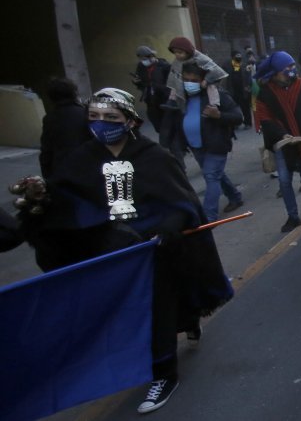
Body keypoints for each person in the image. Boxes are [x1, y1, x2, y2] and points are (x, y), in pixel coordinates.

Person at [15, 88, 233, 413]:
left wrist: (168, 227)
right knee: (130, 311)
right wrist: (40, 200)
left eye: (111, 118)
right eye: (94, 117)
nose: (101, 123)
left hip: (153, 251)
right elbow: (67, 202)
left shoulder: (154, 156)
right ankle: (172, 332)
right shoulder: (81, 158)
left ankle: (164, 374)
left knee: (159, 306)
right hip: (113, 252)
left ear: (130, 120)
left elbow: (181, 201)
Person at [254, 51, 301, 232]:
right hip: (283, 144)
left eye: (292, 67)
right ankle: (293, 216)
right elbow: (265, 119)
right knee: (284, 181)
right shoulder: (265, 93)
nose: (291, 71)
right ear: (274, 73)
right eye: (286, 69)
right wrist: (283, 135)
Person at [180, 60, 245, 222]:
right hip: (196, 146)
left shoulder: (216, 95)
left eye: (194, 81)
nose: (189, 84)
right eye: (186, 80)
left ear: (203, 80)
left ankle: (209, 217)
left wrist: (219, 116)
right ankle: (235, 197)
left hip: (216, 145)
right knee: (215, 175)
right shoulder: (183, 97)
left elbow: (238, 116)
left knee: (211, 177)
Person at [160, 37, 228, 168]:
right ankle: (172, 100)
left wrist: (206, 80)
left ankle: (214, 104)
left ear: (188, 51)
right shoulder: (177, 62)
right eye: (175, 52)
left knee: (211, 88)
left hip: (205, 85)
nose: (178, 55)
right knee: (176, 86)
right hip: (192, 137)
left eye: (180, 52)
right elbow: (174, 77)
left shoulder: (200, 58)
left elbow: (215, 71)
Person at [39, 77, 92, 178]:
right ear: (74, 93)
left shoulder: (50, 118)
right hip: (87, 168)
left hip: (62, 171)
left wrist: (47, 178)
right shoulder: (86, 113)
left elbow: (46, 151)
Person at [132, 45, 171, 132]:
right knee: (155, 121)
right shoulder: (141, 66)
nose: (144, 61)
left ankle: (168, 139)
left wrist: (161, 89)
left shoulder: (164, 66)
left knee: (168, 122)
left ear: (152, 56)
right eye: (141, 59)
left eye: (145, 58)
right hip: (150, 100)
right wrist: (137, 82)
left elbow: (171, 83)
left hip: (164, 98)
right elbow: (141, 82)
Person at [225, 50, 252, 129]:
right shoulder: (228, 65)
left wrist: (249, 86)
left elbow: (249, 76)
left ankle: (248, 123)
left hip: (243, 90)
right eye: (236, 56)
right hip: (233, 91)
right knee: (234, 109)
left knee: (245, 108)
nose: (238, 57)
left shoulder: (244, 65)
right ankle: (236, 123)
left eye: (239, 55)